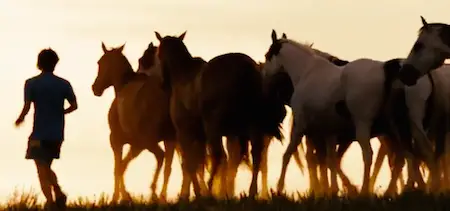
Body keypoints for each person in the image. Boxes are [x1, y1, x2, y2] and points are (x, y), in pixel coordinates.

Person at [15, 48, 78, 209]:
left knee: (41, 168)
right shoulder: (64, 84)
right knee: (46, 166)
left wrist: (20, 118)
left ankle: (51, 200)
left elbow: (27, 106)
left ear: (39, 63)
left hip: (39, 133)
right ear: (55, 63)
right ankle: (55, 196)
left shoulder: (31, 83)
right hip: (57, 133)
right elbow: (74, 105)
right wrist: (61, 112)